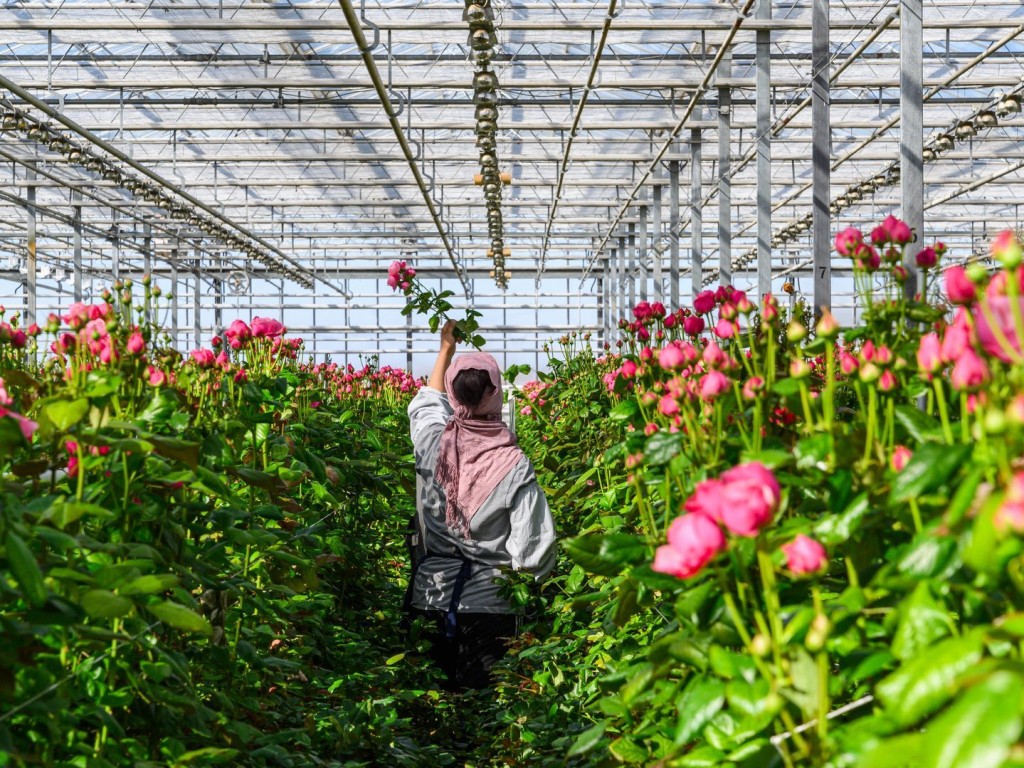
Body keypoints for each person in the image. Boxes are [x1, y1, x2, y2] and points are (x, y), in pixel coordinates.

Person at [404, 320, 556, 690]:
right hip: (492, 608)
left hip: (431, 596)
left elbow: (426, 404)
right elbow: (534, 550)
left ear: (455, 398)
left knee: (431, 709)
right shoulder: (513, 463)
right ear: (497, 395)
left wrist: (445, 350)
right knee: (486, 711)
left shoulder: (432, 445)